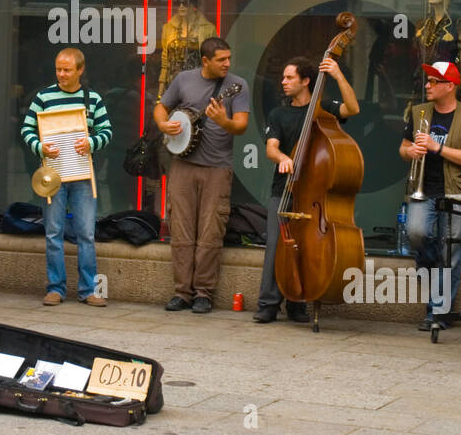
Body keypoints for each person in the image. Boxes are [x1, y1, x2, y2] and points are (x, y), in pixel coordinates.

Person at [255, 56, 359, 324]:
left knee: (305, 247)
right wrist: (283, 159)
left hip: (314, 194)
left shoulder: (323, 109)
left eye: (289, 77)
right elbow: (271, 148)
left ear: (305, 81)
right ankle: (267, 304)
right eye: (284, 77)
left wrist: (337, 74)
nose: (284, 82)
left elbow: (353, 108)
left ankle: (298, 303)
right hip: (285, 190)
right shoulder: (279, 113)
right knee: (277, 247)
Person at [154, 36, 249, 313]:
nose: (227, 63)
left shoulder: (237, 85)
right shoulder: (184, 79)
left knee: (211, 231)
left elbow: (241, 126)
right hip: (183, 164)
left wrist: (224, 121)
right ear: (205, 60)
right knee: (181, 229)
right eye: (221, 59)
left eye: (229, 58)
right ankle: (182, 292)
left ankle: (203, 293)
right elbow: (162, 106)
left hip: (217, 167)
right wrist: (163, 124)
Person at [20, 48, 112, 307]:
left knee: (86, 233)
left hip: (82, 175)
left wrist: (91, 143)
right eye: (58, 69)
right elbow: (27, 129)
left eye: (67, 69)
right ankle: (55, 288)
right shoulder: (44, 97)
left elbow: (107, 131)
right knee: (53, 233)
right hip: (52, 175)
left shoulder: (91, 98)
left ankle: (88, 290)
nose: (61, 74)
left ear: (80, 70)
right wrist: (41, 148)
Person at [399, 61, 461, 331]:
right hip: (422, 187)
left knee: (452, 251)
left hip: (457, 191)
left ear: (450, 86)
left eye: (434, 81)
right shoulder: (417, 112)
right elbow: (403, 147)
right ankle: (434, 267)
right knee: (416, 234)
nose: (428, 85)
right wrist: (409, 152)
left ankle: (438, 312)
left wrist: (437, 147)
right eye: (428, 80)